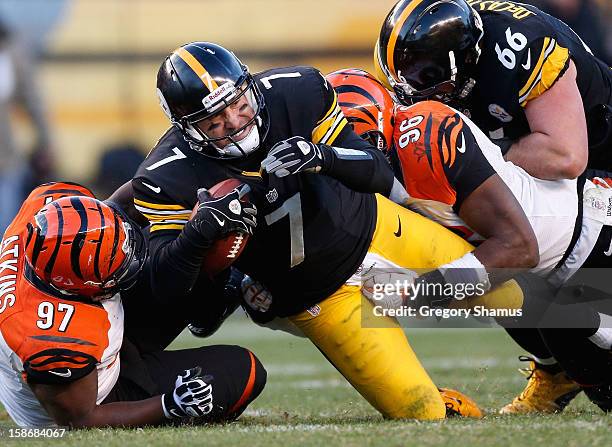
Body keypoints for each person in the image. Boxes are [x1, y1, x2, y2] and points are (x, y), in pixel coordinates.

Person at [130, 41, 500, 420]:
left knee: (511, 295)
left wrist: (324, 156)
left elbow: (377, 168)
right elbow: (166, 287)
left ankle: (553, 369)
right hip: (320, 296)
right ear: (189, 130)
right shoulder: (166, 176)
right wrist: (198, 232)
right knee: (423, 414)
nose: (236, 124)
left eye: (238, 106)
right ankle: (439, 399)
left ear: (249, 86)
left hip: (381, 230)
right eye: (215, 122)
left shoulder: (297, 92)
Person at [327, 70, 612, 413]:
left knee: (500, 284)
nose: (361, 160)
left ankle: (582, 329)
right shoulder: (379, 177)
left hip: (593, 236)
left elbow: (518, 248)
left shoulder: (425, 139)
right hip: (552, 271)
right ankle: (557, 367)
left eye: (365, 144)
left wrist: (424, 292)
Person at [0, 181, 266, 428]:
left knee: (179, 251)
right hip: (93, 395)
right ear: (85, 289)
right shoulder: (51, 339)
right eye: (111, 266)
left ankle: (211, 301)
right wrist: (169, 405)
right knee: (245, 372)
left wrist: (178, 184)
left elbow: (122, 202)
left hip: (91, 330)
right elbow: (82, 418)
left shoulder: (49, 211)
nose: (131, 252)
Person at [374, 0, 612, 179]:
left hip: (599, 150)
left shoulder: (520, 48)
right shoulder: (457, 28)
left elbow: (565, 157)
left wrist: (477, 152)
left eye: (422, 74)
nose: (410, 90)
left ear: (462, 61)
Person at [0, 18, 54, 234]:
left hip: (6, 160)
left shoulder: (9, 51)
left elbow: (33, 102)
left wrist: (45, 142)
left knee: (7, 230)